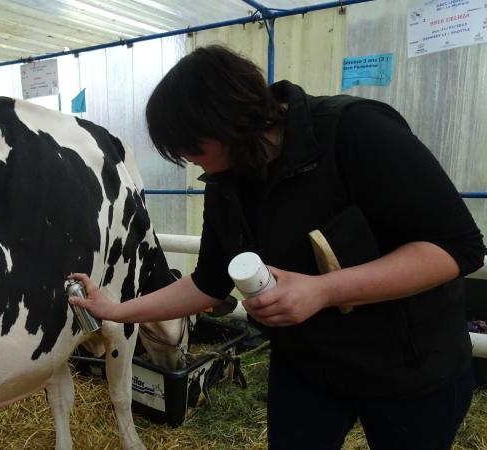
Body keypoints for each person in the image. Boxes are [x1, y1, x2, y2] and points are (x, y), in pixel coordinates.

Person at [69, 45, 485, 450]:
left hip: (411, 368)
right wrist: (117, 310)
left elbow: (457, 247)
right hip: (309, 367)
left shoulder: (355, 131)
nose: (183, 157)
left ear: (227, 121)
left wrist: (322, 290)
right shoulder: (227, 178)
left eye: (189, 145)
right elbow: (209, 283)